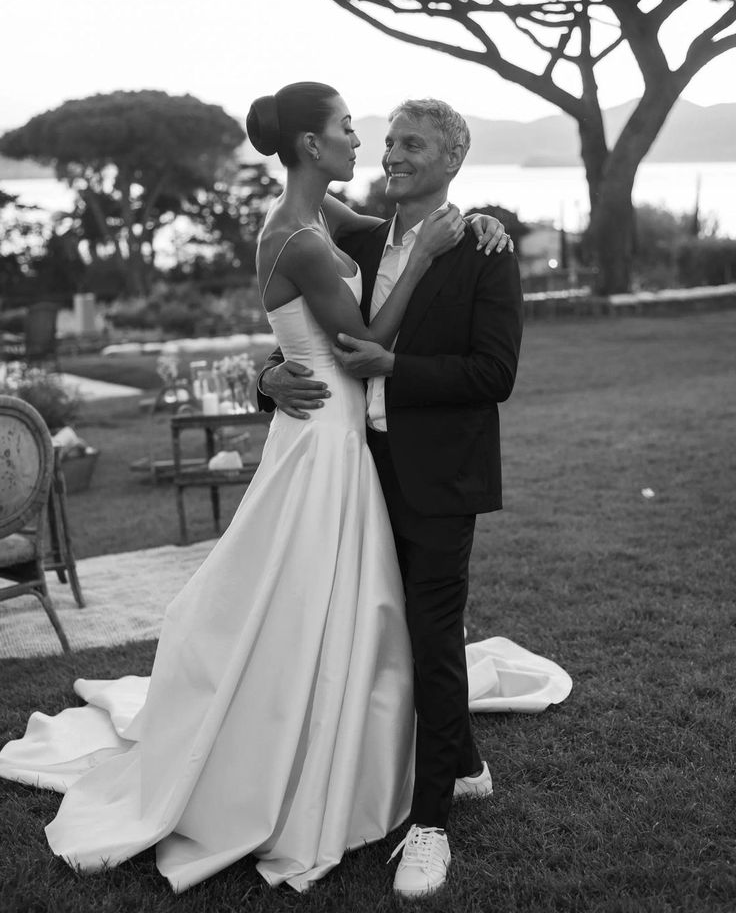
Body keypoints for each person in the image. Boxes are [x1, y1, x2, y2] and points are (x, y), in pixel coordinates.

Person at [0, 82, 516, 896]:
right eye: (356, 131)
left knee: (378, 616)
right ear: (311, 146)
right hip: (332, 452)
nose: (371, 146)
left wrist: (478, 222)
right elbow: (350, 339)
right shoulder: (312, 235)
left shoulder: (361, 226)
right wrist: (279, 371)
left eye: (389, 139)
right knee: (318, 608)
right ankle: (311, 761)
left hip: (384, 457)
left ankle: (426, 775)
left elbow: (432, 282)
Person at [258, 95, 524, 897]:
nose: (392, 155)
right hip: (358, 469)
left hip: (440, 478)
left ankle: (430, 825)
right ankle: (464, 760)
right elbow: (289, 298)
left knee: (433, 635)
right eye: (389, 142)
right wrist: (263, 379)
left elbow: (495, 376)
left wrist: (398, 370)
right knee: (383, 630)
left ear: (451, 161)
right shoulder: (362, 238)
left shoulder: (483, 247)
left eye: (412, 145)